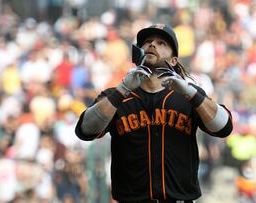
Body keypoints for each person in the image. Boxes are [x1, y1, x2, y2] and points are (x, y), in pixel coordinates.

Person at [75, 23, 233, 203]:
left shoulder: (188, 96)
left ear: (173, 61)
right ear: (137, 53)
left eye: (161, 43)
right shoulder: (115, 95)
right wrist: (122, 90)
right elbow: (85, 130)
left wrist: (191, 93)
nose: (152, 45)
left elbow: (224, 127)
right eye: (147, 42)